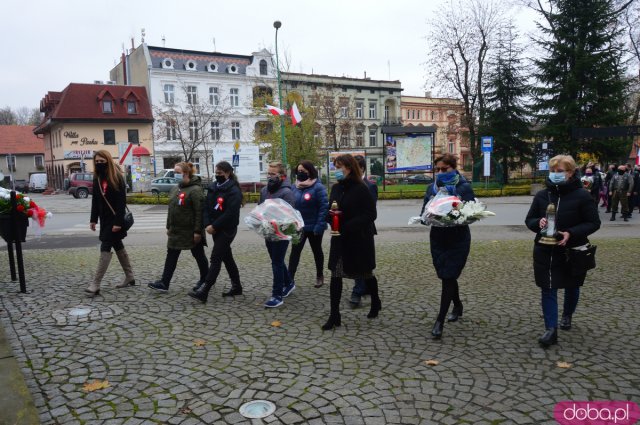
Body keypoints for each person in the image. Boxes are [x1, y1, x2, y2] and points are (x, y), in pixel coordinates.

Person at [525, 155, 600, 347]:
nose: (556, 175)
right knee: (548, 287)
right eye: (553, 171)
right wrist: (538, 223)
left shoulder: (582, 195)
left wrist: (571, 233)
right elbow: (530, 219)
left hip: (572, 250)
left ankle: (567, 314)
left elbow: (593, 222)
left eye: (560, 172)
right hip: (545, 249)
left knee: (571, 285)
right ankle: (551, 329)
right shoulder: (543, 195)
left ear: (571, 172)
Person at [420, 153, 474, 339]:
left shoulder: (463, 187)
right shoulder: (431, 188)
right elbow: (423, 213)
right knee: (445, 275)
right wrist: (428, 217)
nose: (441, 173)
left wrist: (458, 215)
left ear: (453, 168)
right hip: (438, 238)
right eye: (438, 170)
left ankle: (439, 321)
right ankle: (457, 305)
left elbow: (472, 213)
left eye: (445, 169)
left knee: (449, 276)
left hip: (458, 238)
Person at [322, 154, 380, 330]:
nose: (337, 171)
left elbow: (371, 214)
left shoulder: (361, 188)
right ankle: (334, 315)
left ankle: (375, 301)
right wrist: (330, 218)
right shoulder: (336, 188)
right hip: (339, 240)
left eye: (340, 167)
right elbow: (331, 208)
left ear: (349, 167)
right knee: (336, 274)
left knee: (365, 273)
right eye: (335, 167)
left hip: (359, 239)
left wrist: (348, 226)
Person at [148, 162, 208, 293]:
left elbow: (199, 212)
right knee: (171, 254)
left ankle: (206, 279)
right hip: (176, 230)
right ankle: (164, 282)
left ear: (185, 173)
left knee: (198, 255)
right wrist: (168, 226)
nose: (174, 174)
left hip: (191, 230)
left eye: (177, 172)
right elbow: (171, 209)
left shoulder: (196, 190)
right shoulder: (176, 188)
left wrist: (197, 231)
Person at [189, 161, 243, 303]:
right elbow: (206, 207)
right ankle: (237, 286)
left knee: (216, 257)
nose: (217, 175)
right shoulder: (213, 187)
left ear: (228, 173)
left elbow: (231, 213)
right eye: (216, 173)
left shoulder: (234, 190)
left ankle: (205, 289)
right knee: (227, 257)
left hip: (227, 229)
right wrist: (207, 224)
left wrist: (215, 226)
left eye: (220, 173)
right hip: (214, 227)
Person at [85, 150, 134, 296]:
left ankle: (96, 284)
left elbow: (121, 202)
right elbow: (95, 200)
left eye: (102, 161)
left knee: (105, 246)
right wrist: (93, 219)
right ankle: (130, 277)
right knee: (117, 245)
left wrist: (118, 222)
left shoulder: (116, 177)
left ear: (108, 160)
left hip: (115, 219)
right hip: (104, 219)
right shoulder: (97, 178)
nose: (99, 164)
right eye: (97, 162)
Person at [287, 161, 329, 289]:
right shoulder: (294, 187)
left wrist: (319, 226)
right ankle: (289, 279)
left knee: (317, 251)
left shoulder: (318, 187)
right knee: (295, 252)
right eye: (299, 171)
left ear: (310, 171)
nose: (300, 173)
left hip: (314, 226)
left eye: (303, 171)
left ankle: (319, 276)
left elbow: (324, 208)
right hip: (298, 226)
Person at [260, 161, 296, 308]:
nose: (269, 176)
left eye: (273, 174)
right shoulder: (264, 191)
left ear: (282, 176)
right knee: (277, 260)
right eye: (268, 173)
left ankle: (277, 295)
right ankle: (289, 283)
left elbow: (290, 214)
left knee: (276, 261)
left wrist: (277, 221)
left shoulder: (286, 192)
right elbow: (260, 209)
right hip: (268, 230)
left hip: (282, 232)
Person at [349, 154, 378, 308]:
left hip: (364, 230)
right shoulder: (347, 185)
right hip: (350, 229)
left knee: (363, 262)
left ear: (361, 168)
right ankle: (362, 287)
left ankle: (358, 291)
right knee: (356, 260)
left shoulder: (370, 185)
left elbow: (370, 211)